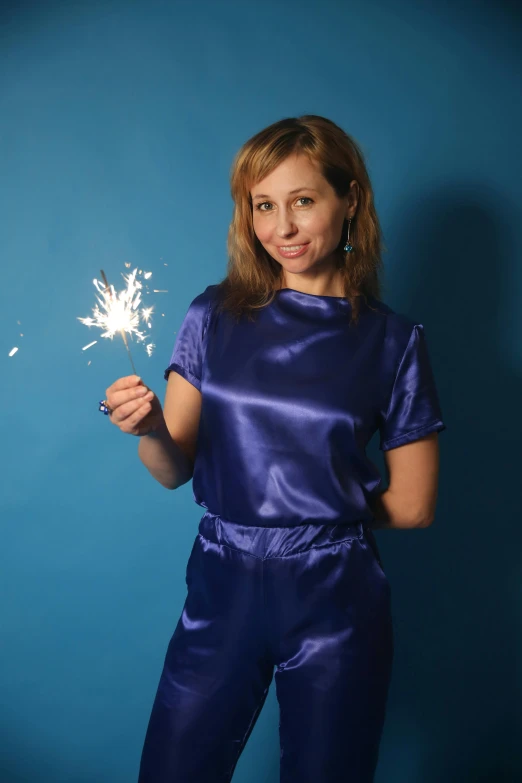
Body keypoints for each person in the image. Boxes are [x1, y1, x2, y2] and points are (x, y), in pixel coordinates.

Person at [101, 115, 446, 782]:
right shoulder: (214, 316)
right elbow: (174, 470)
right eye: (264, 205)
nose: (282, 227)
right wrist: (148, 431)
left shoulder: (394, 342)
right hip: (221, 585)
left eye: (303, 201)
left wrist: (314, 511)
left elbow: (415, 503)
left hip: (336, 601)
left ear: (350, 201)